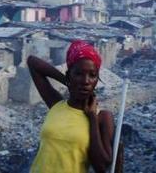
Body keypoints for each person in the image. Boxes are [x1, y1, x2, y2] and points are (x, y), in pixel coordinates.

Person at [28, 40, 114, 173]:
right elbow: (32, 62)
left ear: (97, 79)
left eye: (92, 75)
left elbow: (101, 167)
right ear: (69, 75)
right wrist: (67, 82)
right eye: (79, 74)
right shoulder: (56, 104)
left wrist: (91, 118)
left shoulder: (102, 117)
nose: (86, 81)